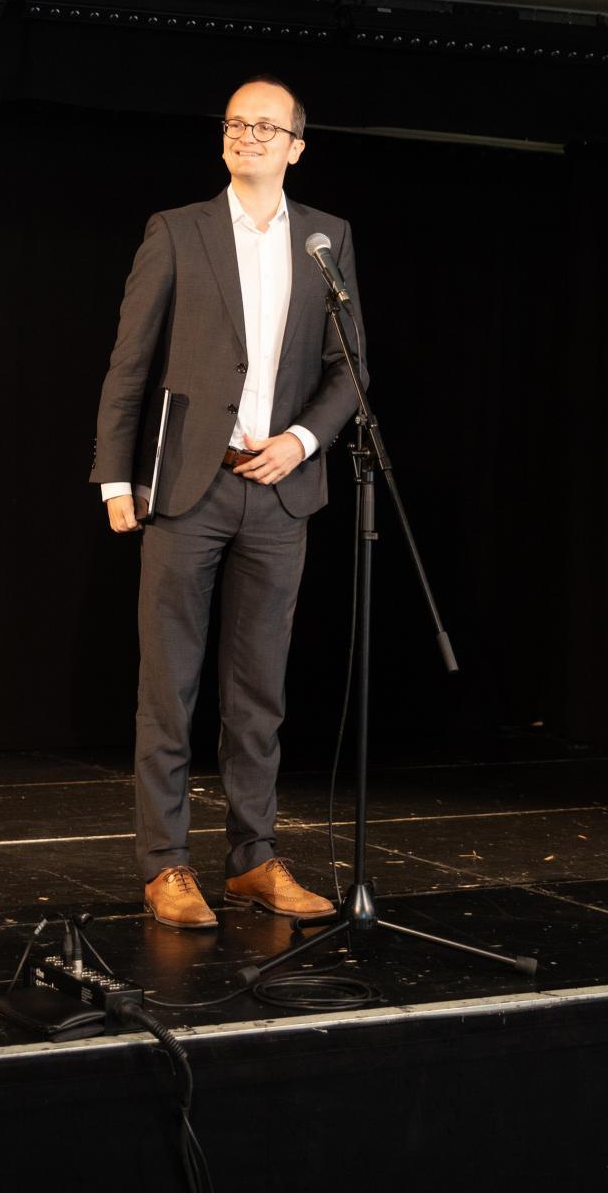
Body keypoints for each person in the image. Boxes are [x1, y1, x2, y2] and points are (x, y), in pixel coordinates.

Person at [91, 78, 363, 929]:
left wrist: (304, 442)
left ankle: (252, 859)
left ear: (297, 146)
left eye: (267, 127)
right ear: (224, 140)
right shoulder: (177, 231)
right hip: (186, 490)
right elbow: (129, 364)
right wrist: (114, 476)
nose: (249, 136)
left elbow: (348, 367)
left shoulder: (328, 238)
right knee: (168, 686)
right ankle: (166, 866)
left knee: (259, 693)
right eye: (237, 124)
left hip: (279, 492)